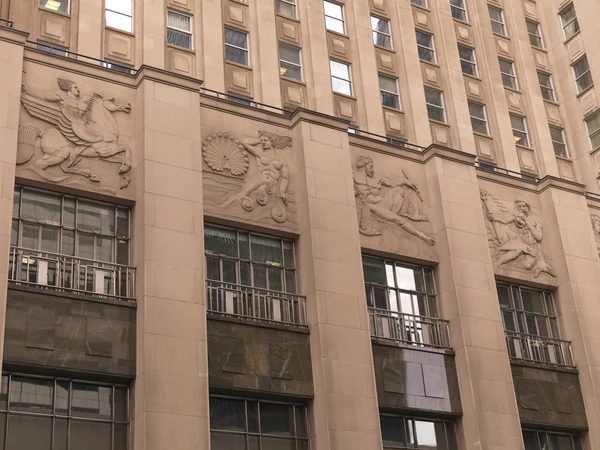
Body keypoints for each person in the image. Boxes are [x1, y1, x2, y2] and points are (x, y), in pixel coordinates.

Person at [353, 155, 434, 245]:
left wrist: (405, 181)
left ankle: (391, 216)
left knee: (399, 190)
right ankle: (423, 237)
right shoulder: (355, 175)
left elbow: (392, 183)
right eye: (370, 166)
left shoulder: (376, 178)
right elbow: (363, 196)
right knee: (399, 220)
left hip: (381, 202)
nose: (372, 169)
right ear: (364, 166)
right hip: (372, 205)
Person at [486, 196, 555, 277]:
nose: (522, 208)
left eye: (523, 206)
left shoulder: (534, 219)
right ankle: (497, 263)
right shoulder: (516, 214)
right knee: (514, 252)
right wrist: (494, 217)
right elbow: (505, 219)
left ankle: (539, 266)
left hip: (532, 246)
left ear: (527, 207)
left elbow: (539, 237)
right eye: (519, 206)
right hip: (521, 241)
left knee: (528, 266)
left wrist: (527, 223)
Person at [221, 131, 291, 208]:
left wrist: (282, 192)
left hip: (271, 182)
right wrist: (260, 140)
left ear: (272, 143)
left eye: (266, 140)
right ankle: (223, 207)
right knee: (241, 195)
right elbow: (245, 142)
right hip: (258, 178)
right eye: (262, 141)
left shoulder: (281, 160)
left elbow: (285, 177)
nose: (263, 142)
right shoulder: (259, 153)